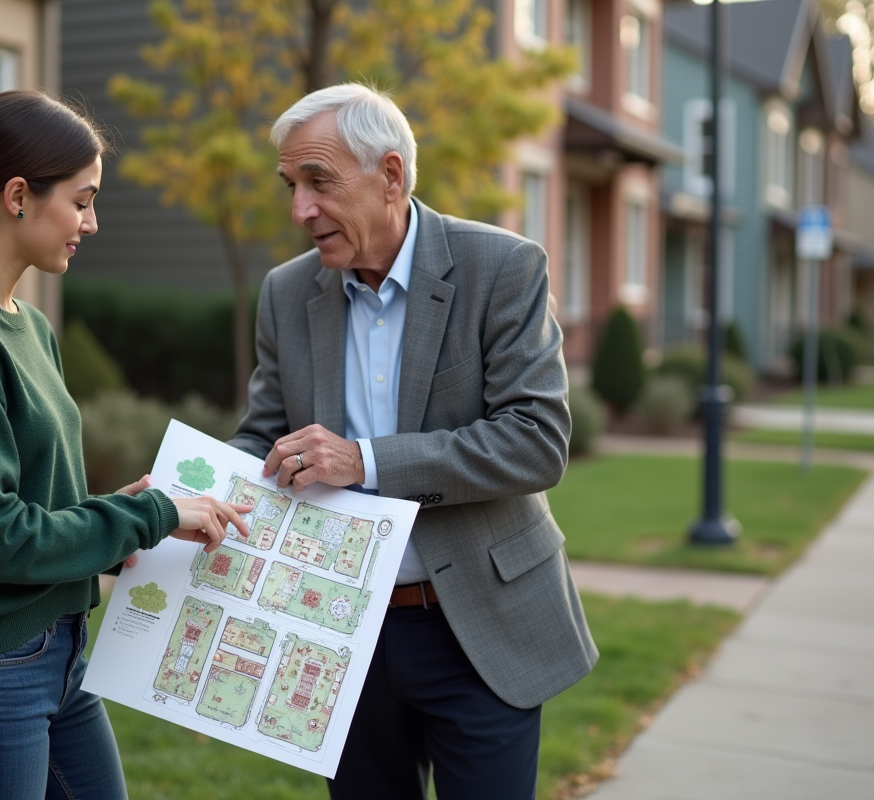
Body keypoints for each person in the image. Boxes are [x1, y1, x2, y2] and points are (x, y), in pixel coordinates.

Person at [0, 90, 250, 799]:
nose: (91, 223)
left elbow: (25, 503)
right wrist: (149, 515)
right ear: (17, 196)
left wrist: (111, 518)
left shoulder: (27, 326)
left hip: (57, 654)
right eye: (82, 200)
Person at [228, 83, 598, 800]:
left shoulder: (503, 268)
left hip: (483, 632)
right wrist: (184, 499)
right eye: (291, 186)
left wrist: (361, 460)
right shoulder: (284, 292)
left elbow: (536, 441)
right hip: (338, 633)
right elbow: (264, 438)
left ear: (391, 175)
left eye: (319, 182)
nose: (300, 210)